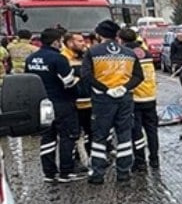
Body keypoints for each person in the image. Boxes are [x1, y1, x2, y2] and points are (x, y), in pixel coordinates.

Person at [81, 20, 143, 184]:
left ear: (99, 35)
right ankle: (123, 172)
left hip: (103, 99)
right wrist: (124, 87)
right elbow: (139, 76)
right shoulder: (129, 53)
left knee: (100, 136)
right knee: (124, 134)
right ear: (116, 35)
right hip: (124, 98)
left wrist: (105, 89)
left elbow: (86, 76)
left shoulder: (92, 52)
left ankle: (97, 174)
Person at [26, 29, 87, 182]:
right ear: (55, 42)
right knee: (68, 136)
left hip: (42, 104)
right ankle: (67, 171)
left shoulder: (31, 59)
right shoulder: (58, 59)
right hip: (61, 102)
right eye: (60, 41)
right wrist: (77, 91)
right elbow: (69, 82)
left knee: (47, 137)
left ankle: (49, 172)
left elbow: (29, 81)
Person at [122, 28, 159, 171]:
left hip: (135, 98)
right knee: (152, 131)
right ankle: (154, 159)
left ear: (121, 39)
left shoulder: (126, 54)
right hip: (150, 96)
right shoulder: (146, 52)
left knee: (136, 132)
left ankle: (140, 161)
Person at [60, 31, 93, 159]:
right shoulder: (63, 58)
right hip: (73, 103)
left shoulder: (85, 56)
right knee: (73, 134)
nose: (83, 43)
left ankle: (91, 158)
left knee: (92, 132)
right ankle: (75, 159)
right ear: (69, 43)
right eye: (79, 41)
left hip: (89, 102)